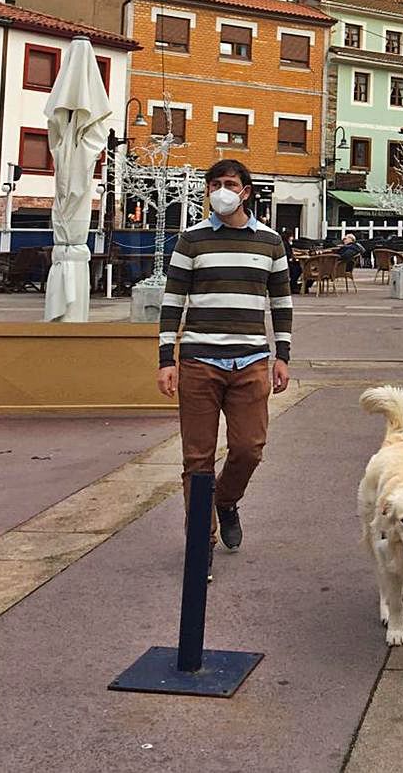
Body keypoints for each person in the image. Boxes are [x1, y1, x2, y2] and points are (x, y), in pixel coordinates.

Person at [157, 159, 292, 577]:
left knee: (249, 448)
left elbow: (281, 301)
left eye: (229, 183)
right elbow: (172, 300)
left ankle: (227, 500)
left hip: (251, 361)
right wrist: (167, 359)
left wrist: (282, 354)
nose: (221, 190)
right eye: (214, 184)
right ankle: (202, 545)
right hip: (199, 361)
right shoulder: (191, 240)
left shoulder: (270, 241)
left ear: (246, 191)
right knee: (197, 460)